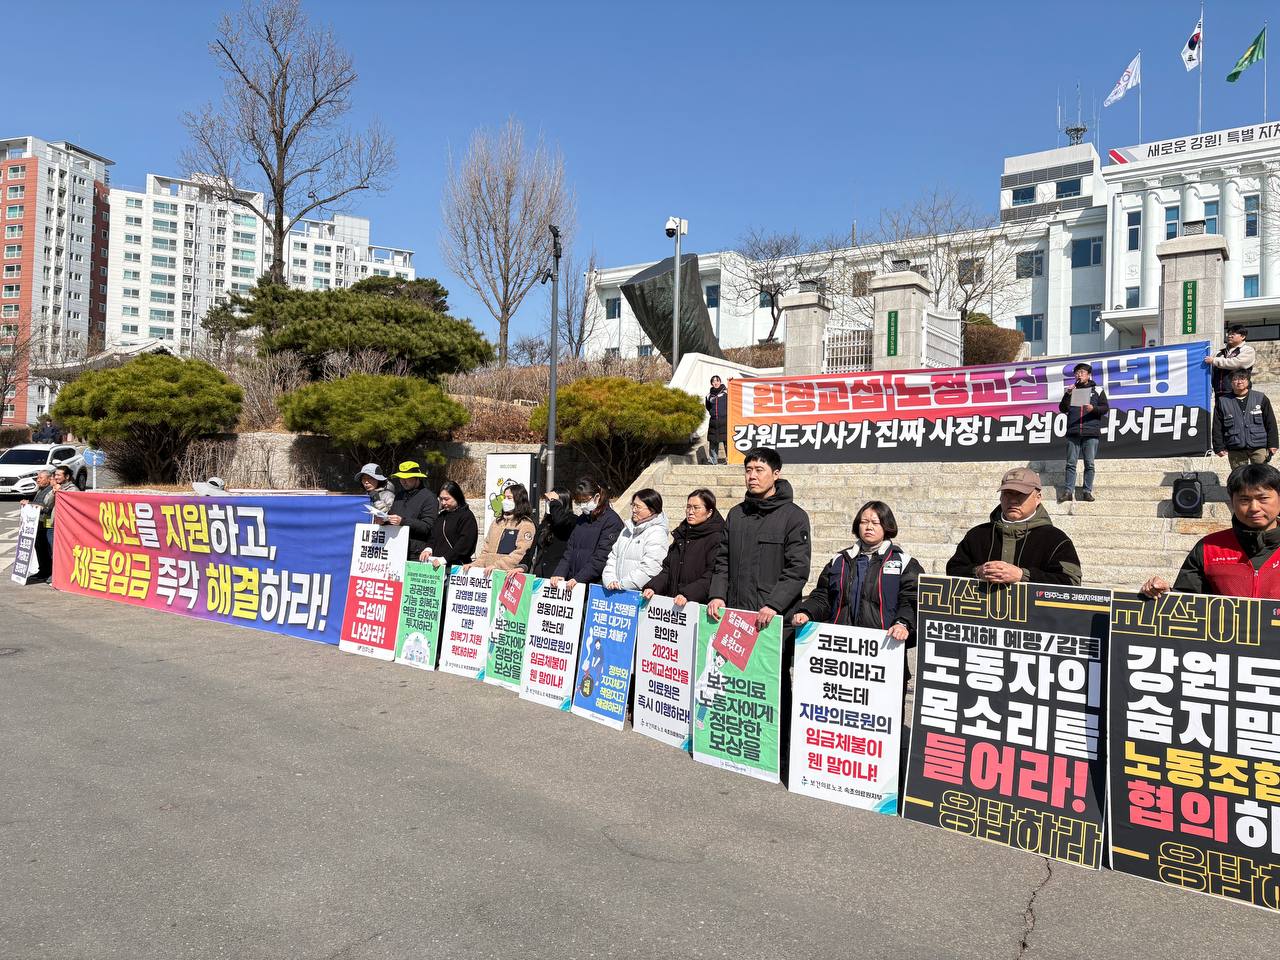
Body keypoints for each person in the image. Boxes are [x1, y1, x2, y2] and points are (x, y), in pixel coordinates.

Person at [706, 447, 811, 629]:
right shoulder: (736, 514)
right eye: (748, 470)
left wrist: (774, 604)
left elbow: (797, 569)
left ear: (776, 474)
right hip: (735, 615)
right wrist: (717, 595)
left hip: (772, 619)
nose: (752, 476)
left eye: (759, 470)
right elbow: (722, 561)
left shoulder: (794, 516)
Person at [1141, 463, 1280, 599]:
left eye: (1263, 498)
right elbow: (1187, 601)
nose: (1254, 507)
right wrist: (1166, 594)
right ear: (1231, 502)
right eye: (1244, 500)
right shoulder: (1208, 548)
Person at [792, 501, 922, 645]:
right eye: (864, 522)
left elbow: (911, 601)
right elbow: (823, 596)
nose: (869, 527)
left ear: (886, 525)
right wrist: (807, 612)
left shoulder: (905, 563)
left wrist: (903, 623)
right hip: (841, 644)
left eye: (875, 522)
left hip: (885, 646)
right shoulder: (840, 561)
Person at [946, 467, 1082, 586]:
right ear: (1000, 497)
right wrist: (978, 571)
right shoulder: (977, 534)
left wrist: (1022, 575)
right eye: (1007, 493)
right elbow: (953, 569)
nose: (1013, 500)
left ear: (1038, 498)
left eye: (1021, 494)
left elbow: (1071, 581)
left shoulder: (1055, 539)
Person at [642, 488, 726, 605]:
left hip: (697, 607)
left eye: (696, 508)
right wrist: (653, 587)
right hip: (674, 604)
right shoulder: (681, 534)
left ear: (709, 512)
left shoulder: (717, 538)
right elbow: (668, 570)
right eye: (688, 507)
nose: (690, 512)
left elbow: (712, 575)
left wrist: (688, 594)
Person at [550, 477, 624, 589]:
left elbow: (602, 557)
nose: (582, 505)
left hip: (594, 584)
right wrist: (560, 572)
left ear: (597, 497)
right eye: (579, 502)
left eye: (585, 501)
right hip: (573, 582)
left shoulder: (611, 521)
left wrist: (579, 578)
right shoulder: (582, 519)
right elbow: (570, 550)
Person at [1057, 362, 1110, 503]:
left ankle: (1087, 491)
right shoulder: (1072, 390)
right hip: (1073, 431)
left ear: (1088, 374)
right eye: (1076, 373)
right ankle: (1068, 491)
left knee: (1089, 464)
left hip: (1090, 431)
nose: (1078, 375)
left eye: (1081, 372)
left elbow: (1105, 408)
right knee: (1070, 464)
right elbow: (1062, 408)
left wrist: (1093, 409)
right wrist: (1067, 394)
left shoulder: (1097, 390)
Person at [603, 488, 670, 591]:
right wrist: (610, 580)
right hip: (616, 591)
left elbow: (651, 568)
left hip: (637, 595)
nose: (634, 510)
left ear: (651, 510)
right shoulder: (627, 530)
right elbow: (613, 557)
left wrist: (623, 584)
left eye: (638, 507)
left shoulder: (657, 533)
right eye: (633, 505)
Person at [1212, 369, 1278, 470]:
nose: (1239, 382)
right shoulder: (1223, 401)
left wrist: (1273, 444)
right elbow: (1217, 426)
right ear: (1230, 382)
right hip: (1235, 447)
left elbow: (1270, 423)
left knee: (1261, 475)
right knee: (1239, 477)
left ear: (1248, 381)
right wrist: (1218, 447)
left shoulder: (1260, 398)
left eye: (1242, 379)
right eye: (1235, 379)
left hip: (1259, 446)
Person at [466, 482, 535, 572]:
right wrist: (474, 565)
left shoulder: (525, 524)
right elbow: (486, 550)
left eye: (509, 498)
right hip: (488, 574)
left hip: (507, 574)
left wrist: (498, 566)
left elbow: (521, 552)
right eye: (504, 497)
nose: (504, 501)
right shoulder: (497, 522)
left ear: (519, 500)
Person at [379, 460, 439, 559]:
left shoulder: (429, 497)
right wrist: (384, 521)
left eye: (407, 478)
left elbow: (428, 527)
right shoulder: (399, 495)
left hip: (416, 553)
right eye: (401, 478)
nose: (403, 481)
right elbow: (392, 516)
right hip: (395, 548)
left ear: (417, 478)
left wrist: (403, 521)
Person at [420, 480, 479, 567]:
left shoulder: (467, 516)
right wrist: (428, 549)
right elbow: (433, 536)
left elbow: (464, 543)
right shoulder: (441, 516)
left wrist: (445, 559)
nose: (443, 503)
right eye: (441, 499)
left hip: (457, 566)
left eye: (447, 499)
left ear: (457, 497)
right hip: (437, 565)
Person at [521, 487, 574, 578]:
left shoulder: (571, 520)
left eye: (552, 500)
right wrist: (523, 565)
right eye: (548, 500)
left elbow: (560, 521)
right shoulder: (546, 523)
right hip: (539, 575)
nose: (549, 503)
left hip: (557, 576)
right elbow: (532, 549)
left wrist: (554, 503)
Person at [19, 469, 53, 584]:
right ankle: (42, 571)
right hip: (37, 524)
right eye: (37, 478)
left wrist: (30, 504)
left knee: (48, 549)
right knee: (39, 547)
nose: (38, 480)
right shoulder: (40, 490)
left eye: (41, 478)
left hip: (47, 524)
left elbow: (47, 506)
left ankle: (49, 572)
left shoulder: (51, 491)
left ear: (48, 480)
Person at [1205, 324, 1257, 396]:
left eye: (1233, 334)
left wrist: (1214, 361)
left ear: (1243, 337)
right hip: (1220, 391)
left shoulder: (1247, 350)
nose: (1229, 336)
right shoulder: (1220, 353)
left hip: (1239, 391)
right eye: (1228, 334)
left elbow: (1237, 363)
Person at [705, 375, 729, 465]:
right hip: (714, 422)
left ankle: (729, 459)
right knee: (713, 441)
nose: (716, 383)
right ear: (711, 383)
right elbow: (708, 407)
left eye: (717, 381)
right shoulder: (708, 396)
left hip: (725, 420)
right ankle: (712, 460)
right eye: (714, 381)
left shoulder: (726, 392)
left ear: (720, 382)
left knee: (727, 441)